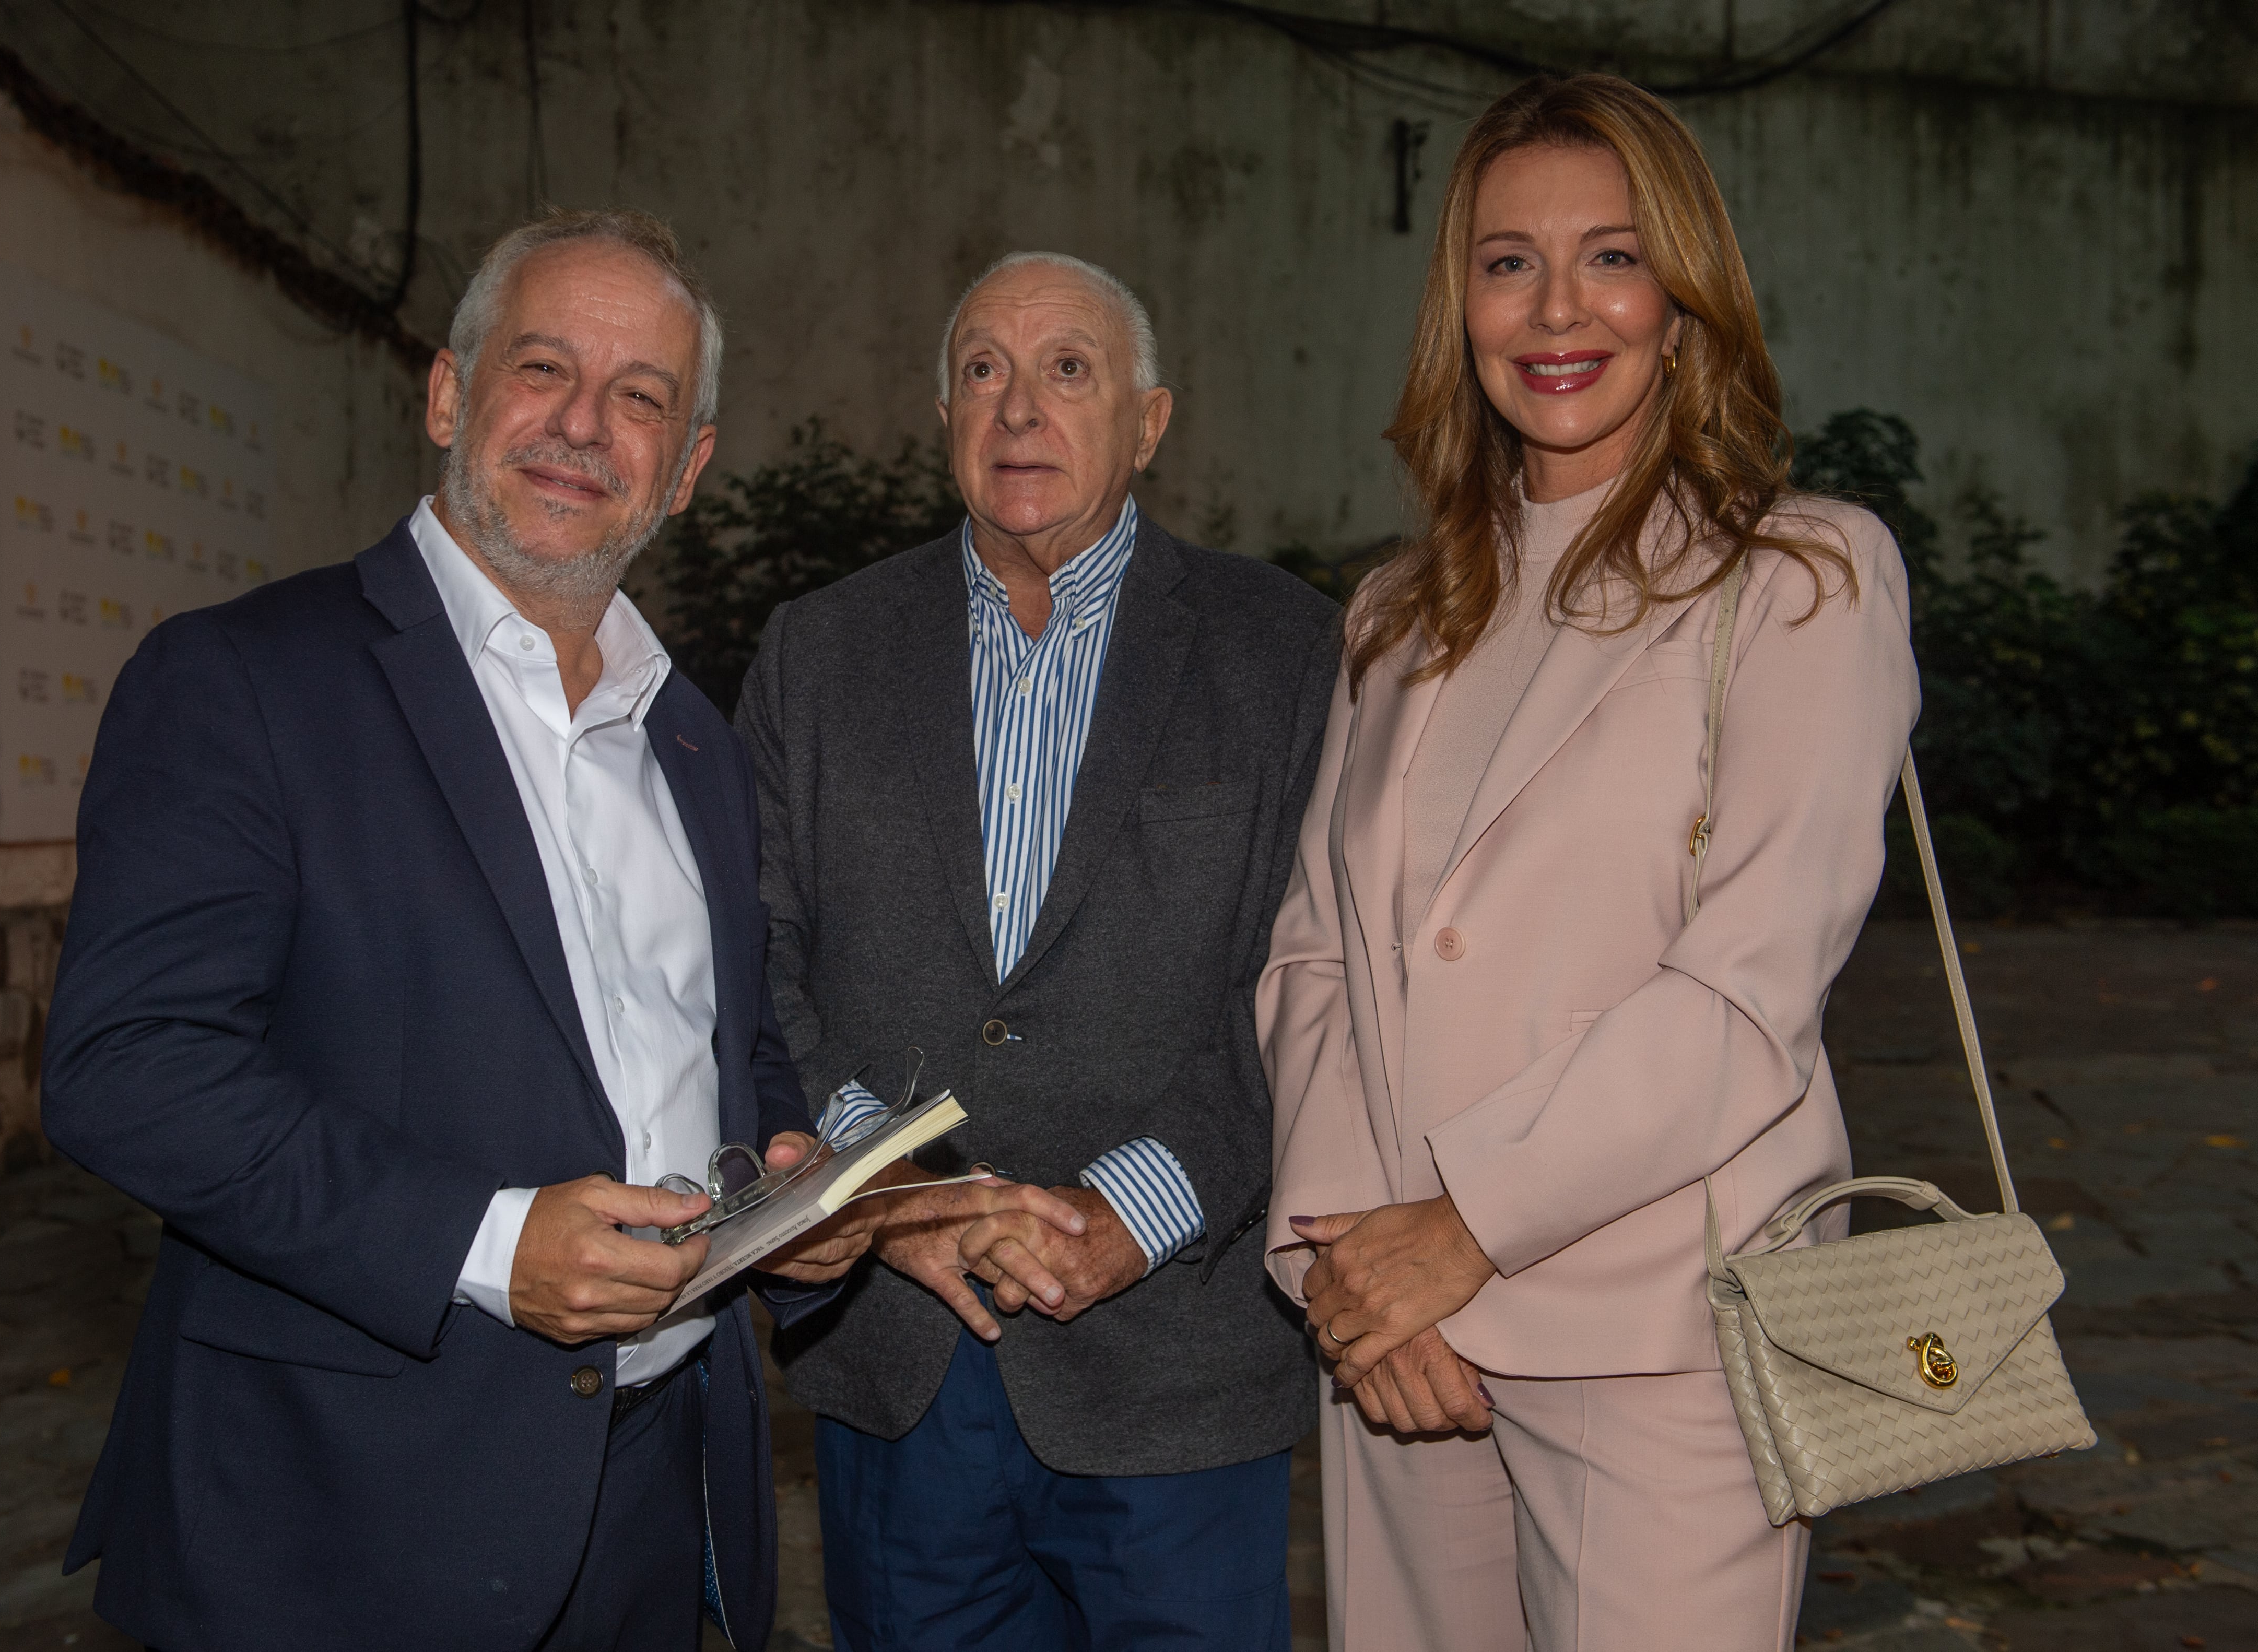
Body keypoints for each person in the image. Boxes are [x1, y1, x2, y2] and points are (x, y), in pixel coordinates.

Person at [40, 208, 864, 1652]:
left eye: (640, 398)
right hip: (347, 1513)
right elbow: (130, 1063)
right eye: (542, 368)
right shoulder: (244, 680)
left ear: (685, 465)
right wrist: (485, 1242)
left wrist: (780, 1183)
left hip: (662, 1496)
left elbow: (726, 1043)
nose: (581, 426)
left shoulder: (691, 740)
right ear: (447, 394)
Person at [1258, 75, 1919, 1651]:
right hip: (1402, 1333)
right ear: (1457, 305)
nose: (1555, 309)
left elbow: (1745, 988)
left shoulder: (1802, 577)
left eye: (1609, 257)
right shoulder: (1393, 613)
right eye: (1505, 262)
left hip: (1665, 1338)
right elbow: (1312, 955)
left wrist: (1459, 1225)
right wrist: (1348, 1257)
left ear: (1683, 301)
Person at [737, 251, 1342, 1649]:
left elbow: (1314, 979)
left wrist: (1140, 1202)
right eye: (982, 370)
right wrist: (889, 1191)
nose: (1019, 408)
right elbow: (759, 959)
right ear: (943, 414)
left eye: (1067, 367)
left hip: (1175, 1352)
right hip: (900, 1359)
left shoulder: (1288, 652)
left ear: (1148, 419)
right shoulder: (817, 653)